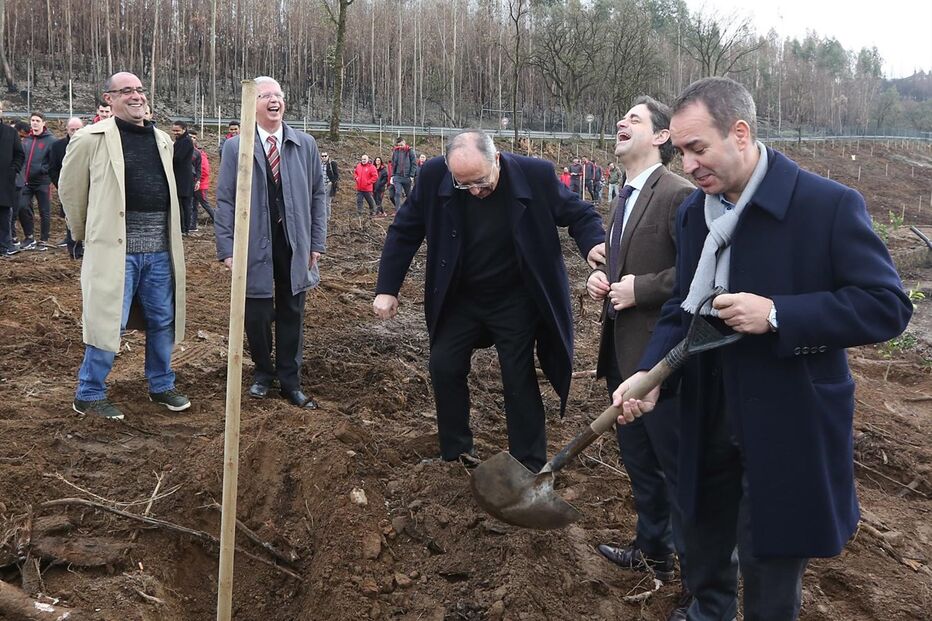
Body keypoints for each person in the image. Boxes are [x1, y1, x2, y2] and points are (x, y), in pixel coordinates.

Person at [612, 77, 913, 621]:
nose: (687, 165)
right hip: (705, 408)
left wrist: (778, 314)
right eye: (680, 151)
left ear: (741, 133)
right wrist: (650, 376)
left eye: (698, 148)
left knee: (770, 560)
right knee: (702, 538)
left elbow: (887, 306)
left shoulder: (826, 206)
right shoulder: (694, 213)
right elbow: (683, 307)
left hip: (787, 412)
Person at [373, 129, 605, 472]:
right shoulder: (436, 175)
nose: (476, 191)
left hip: (516, 297)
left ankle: (528, 462)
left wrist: (593, 246)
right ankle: (455, 453)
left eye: (481, 181)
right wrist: (387, 288)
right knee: (443, 365)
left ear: (496, 159)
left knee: (517, 373)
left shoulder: (534, 175)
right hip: (460, 297)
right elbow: (405, 230)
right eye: (464, 185)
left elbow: (581, 214)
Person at [586, 96, 695, 621]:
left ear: (661, 137)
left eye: (634, 118)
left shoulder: (680, 195)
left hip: (661, 363)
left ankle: (699, 587)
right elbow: (624, 270)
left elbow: (700, 276)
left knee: (678, 473)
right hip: (620, 356)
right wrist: (602, 283)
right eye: (620, 115)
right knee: (642, 467)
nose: (621, 121)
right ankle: (654, 551)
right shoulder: (624, 197)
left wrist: (640, 289)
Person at [60, 71, 189, 420]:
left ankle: (161, 385)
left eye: (140, 90)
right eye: (126, 91)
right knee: (108, 320)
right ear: (109, 98)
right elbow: (71, 191)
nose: (136, 96)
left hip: (160, 250)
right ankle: (89, 392)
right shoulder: (90, 139)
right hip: (116, 249)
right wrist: (83, 234)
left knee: (163, 319)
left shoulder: (163, 139)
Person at [215, 76, 327, 410]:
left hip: (294, 242)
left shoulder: (304, 144)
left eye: (278, 94)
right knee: (258, 312)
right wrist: (227, 247)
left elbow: (319, 196)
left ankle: (290, 381)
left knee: (292, 311)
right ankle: (264, 372)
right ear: (253, 104)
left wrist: (316, 243)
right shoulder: (237, 146)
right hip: (253, 243)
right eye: (265, 95)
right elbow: (226, 200)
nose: (273, 100)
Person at [48, 116, 85, 258]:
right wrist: (62, 186)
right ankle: (75, 250)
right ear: (67, 130)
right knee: (72, 221)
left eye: (78, 129)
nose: (75, 132)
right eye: (72, 129)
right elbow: (53, 169)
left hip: (89, 189)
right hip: (68, 191)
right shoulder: (57, 147)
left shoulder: (91, 145)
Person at [21, 112, 56, 245]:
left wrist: (43, 170)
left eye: (37, 120)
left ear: (43, 123)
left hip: (43, 182)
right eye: (33, 120)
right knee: (22, 206)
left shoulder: (51, 140)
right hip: (27, 181)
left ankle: (44, 239)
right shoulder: (27, 140)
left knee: (44, 211)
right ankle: (29, 236)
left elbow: (54, 161)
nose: (34, 122)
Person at [0, 101, 24, 257]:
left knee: (4, 215)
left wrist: (13, 169)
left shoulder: (10, 132)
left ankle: (5, 245)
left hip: (4, 182)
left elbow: (19, 154)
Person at [171, 120, 197, 234]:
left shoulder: (186, 142)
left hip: (183, 178)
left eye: (177, 130)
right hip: (181, 177)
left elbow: (177, 158)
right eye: (174, 130)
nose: (175, 133)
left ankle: (185, 228)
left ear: (184, 129)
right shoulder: (180, 140)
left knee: (185, 205)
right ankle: (183, 227)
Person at [188, 130, 215, 225]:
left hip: (199, 184)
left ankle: (218, 221)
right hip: (193, 183)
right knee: (194, 205)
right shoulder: (188, 151)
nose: (192, 139)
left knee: (205, 204)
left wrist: (198, 181)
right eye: (190, 136)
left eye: (194, 137)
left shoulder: (199, 153)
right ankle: (192, 225)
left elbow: (204, 170)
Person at [389, 137, 416, 207]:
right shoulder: (395, 152)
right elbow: (393, 164)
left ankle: (412, 209)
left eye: (401, 145)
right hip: (397, 176)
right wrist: (392, 175)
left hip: (407, 177)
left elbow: (414, 164)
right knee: (398, 193)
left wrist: (411, 175)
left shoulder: (410, 151)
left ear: (404, 142)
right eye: (399, 145)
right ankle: (398, 211)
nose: (400, 147)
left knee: (409, 195)